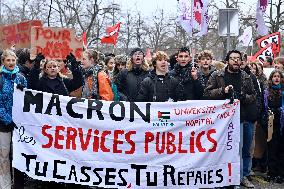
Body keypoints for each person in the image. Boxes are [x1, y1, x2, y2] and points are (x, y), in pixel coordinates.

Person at [204, 50, 256, 188]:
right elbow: (207, 93)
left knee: (242, 150)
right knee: (225, 150)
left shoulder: (246, 76)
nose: (235, 61)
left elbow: (253, 96)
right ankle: (223, 178)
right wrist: (223, 91)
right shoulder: (217, 75)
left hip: (242, 118)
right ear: (227, 61)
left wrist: (244, 97)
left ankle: (240, 177)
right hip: (222, 120)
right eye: (232, 58)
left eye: (238, 59)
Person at [0, 49, 27, 189]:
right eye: (8, 60)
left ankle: (17, 185)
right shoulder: (0, 78)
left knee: (17, 155)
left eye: (13, 60)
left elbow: (27, 100)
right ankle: (4, 185)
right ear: (3, 61)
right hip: (3, 125)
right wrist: (7, 119)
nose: (11, 62)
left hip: (19, 124)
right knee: (4, 156)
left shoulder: (21, 77)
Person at [263, 70, 284, 183]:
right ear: (271, 79)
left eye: (278, 76)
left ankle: (280, 173)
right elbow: (264, 108)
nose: (276, 78)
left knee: (281, 149)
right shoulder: (267, 92)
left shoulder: (283, 92)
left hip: (282, 124)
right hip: (270, 124)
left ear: (281, 79)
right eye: (274, 76)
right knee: (271, 148)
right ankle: (271, 172)